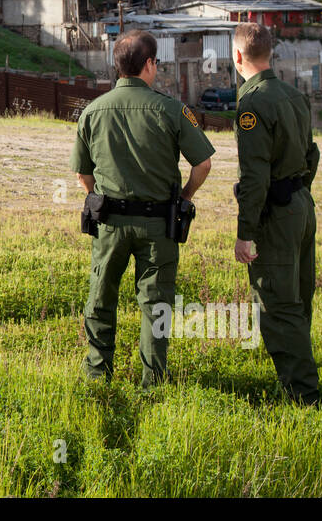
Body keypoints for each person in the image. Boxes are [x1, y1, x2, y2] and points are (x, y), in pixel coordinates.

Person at [70, 30, 214, 386]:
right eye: (156, 62)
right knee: (156, 305)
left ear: (117, 67)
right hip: (158, 226)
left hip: (110, 223)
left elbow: (81, 175)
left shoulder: (92, 111)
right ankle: (153, 380)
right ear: (149, 64)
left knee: (101, 297)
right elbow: (204, 165)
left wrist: (98, 197)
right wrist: (184, 198)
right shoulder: (172, 110)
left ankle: (98, 373)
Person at [231, 22, 321, 404]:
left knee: (278, 303)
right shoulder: (293, 95)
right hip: (301, 203)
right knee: (299, 297)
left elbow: (255, 176)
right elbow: (312, 153)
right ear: (270, 53)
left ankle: (305, 396)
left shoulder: (252, 104)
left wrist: (245, 231)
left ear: (237, 57)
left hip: (278, 213)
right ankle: (302, 375)